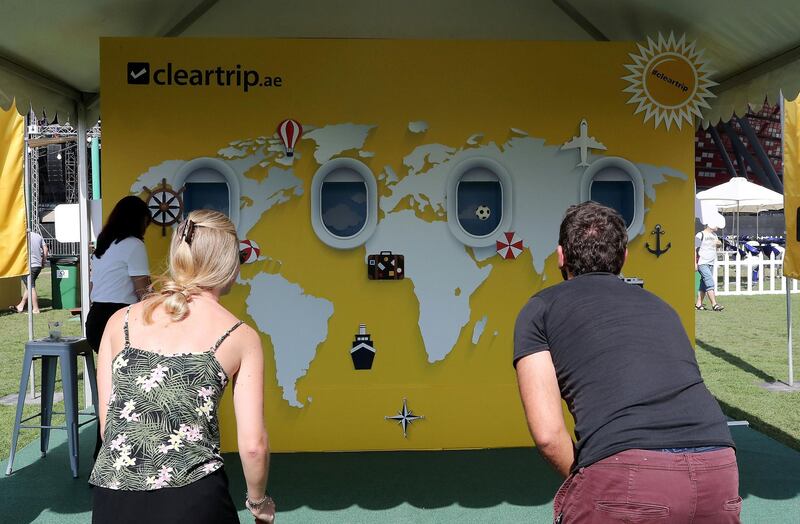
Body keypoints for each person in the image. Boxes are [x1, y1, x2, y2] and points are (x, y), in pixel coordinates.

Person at [514, 202, 740, 523]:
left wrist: (593, 479)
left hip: (627, 471)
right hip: (719, 467)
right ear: (623, 258)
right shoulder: (662, 308)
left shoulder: (540, 309)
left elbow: (548, 435)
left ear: (560, 256)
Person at [89, 210, 274, 524]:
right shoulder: (239, 336)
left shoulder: (119, 323)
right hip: (194, 499)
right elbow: (253, 446)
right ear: (230, 265)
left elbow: (109, 428)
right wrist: (259, 503)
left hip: (113, 498)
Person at [85, 195, 152, 459]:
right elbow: (142, 291)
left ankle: (104, 454)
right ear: (138, 221)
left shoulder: (102, 245)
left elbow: (93, 289)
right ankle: (118, 454)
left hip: (95, 320)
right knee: (126, 391)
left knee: (111, 390)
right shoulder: (134, 245)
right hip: (119, 318)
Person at [10, 230, 48, 313]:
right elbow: (45, 248)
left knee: (31, 286)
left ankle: (35, 308)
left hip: (28, 265)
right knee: (29, 286)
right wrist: (43, 261)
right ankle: (21, 305)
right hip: (37, 265)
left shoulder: (21, 236)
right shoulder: (37, 236)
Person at [695, 222, 724, 311]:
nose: (718, 227)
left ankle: (698, 304)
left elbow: (717, 246)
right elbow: (694, 248)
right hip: (702, 262)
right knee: (709, 282)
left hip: (711, 262)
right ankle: (714, 304)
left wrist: (719, 243)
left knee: (703, 284)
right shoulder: (700, 235)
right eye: (716, 224)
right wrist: (695, 263)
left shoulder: (714, 235)